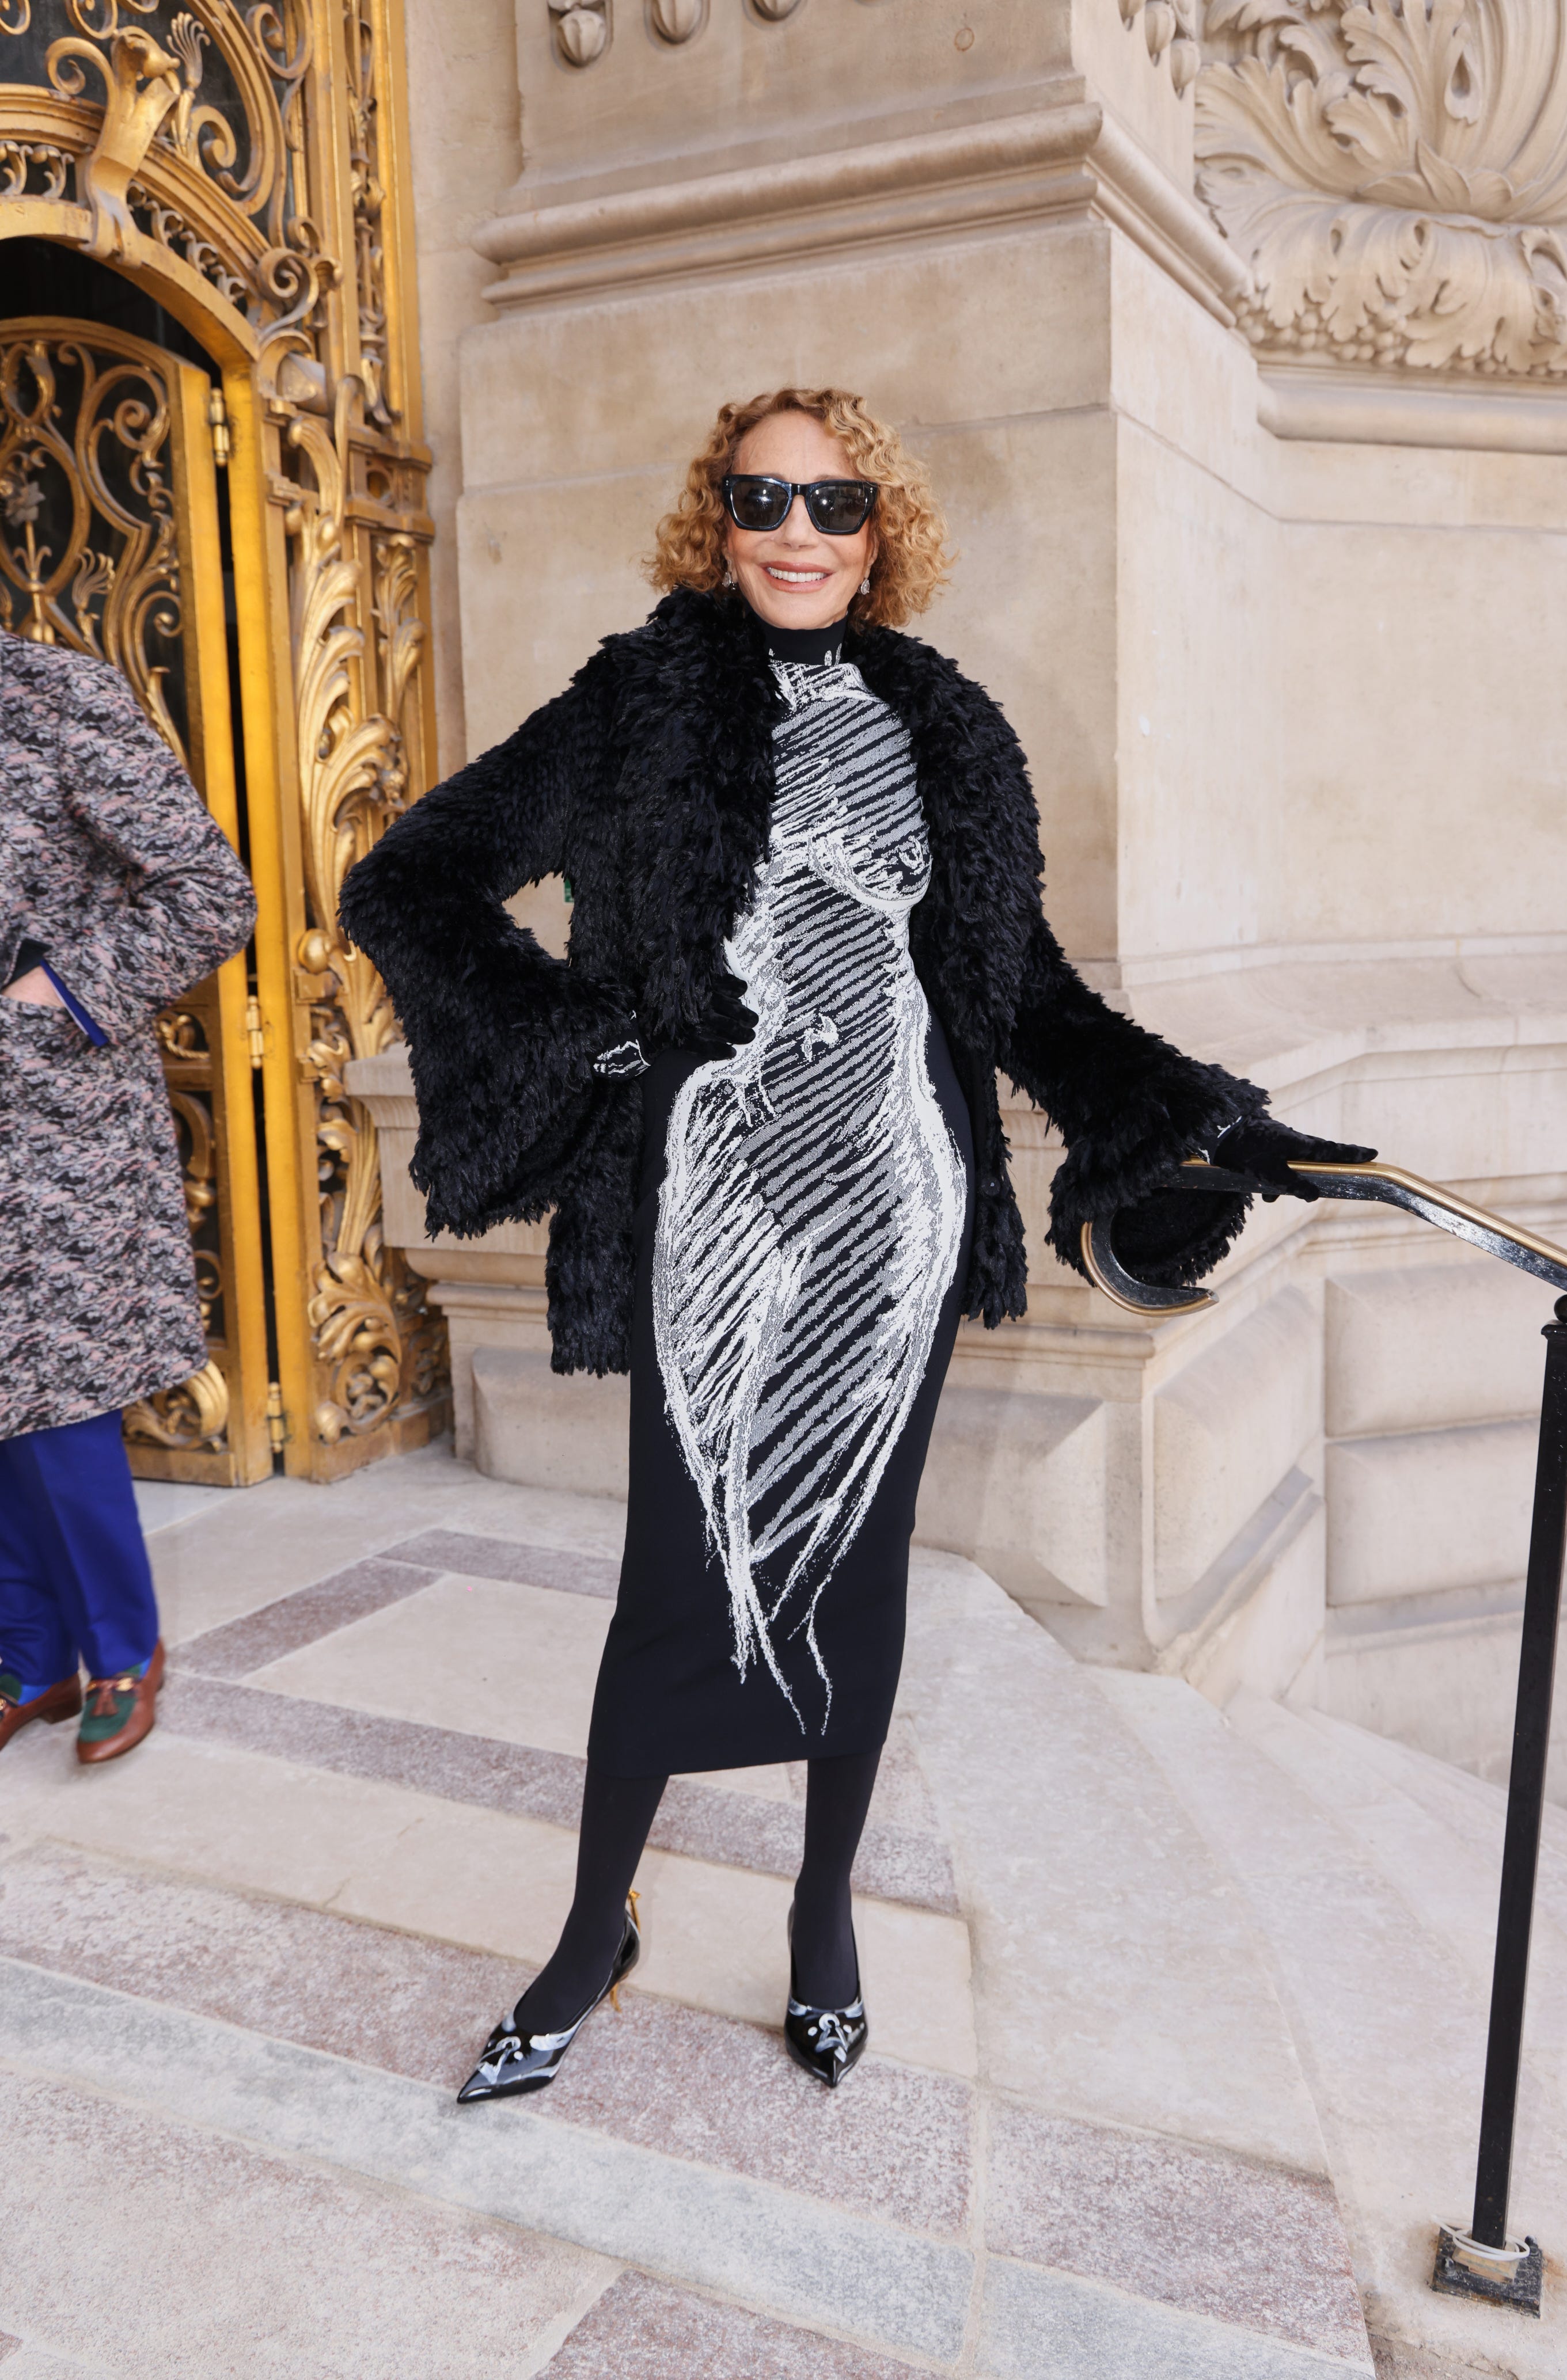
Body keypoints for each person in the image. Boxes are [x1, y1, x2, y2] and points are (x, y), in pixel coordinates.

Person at [340, 387, 1372, 2094]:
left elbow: (1017, 994)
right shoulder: (638, 699)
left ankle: (822, 1907)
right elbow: (416, 877)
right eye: (762, 498)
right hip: (716, 1187)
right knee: (678, 1575)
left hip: (892, 1192)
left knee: (857, 1567)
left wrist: (1195, 1113)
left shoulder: (946, 727)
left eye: (831, 503)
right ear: (715, 517)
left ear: (876, 528)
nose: (795, 532)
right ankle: (592, 1923)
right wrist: (595, 1037)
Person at [0, 629, 256, 1765]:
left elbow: (210, 893)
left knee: (55, 1406)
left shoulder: (52, 693)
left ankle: (121, 1648)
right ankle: (28, 1657)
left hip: (44, 1121)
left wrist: (51, 995)